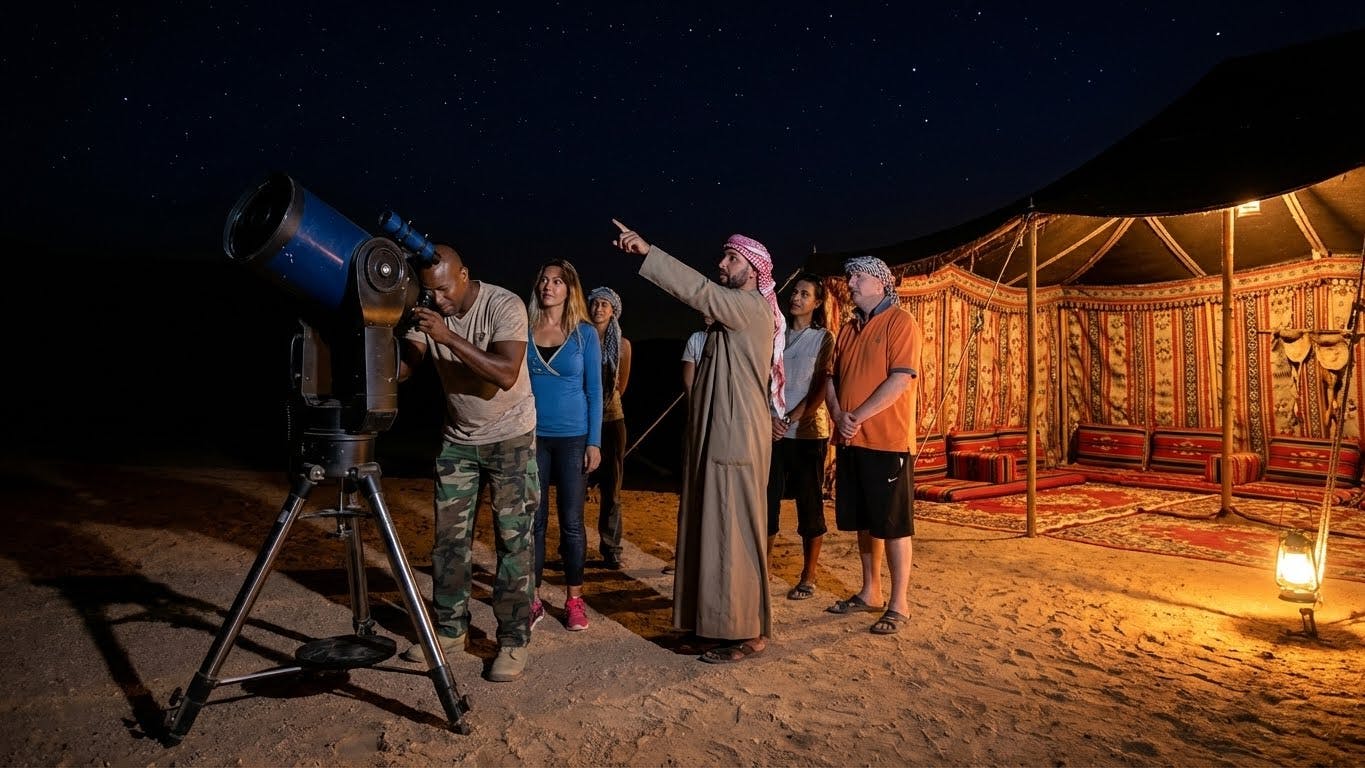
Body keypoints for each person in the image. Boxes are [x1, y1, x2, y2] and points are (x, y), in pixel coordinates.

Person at [612, 218, 785, 664]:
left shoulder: (748, 306)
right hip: (718, 434)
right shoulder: (729, 315)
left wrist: (649, 252)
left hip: (737, 439)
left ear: (752, 269)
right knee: (709, 528)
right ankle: (710, 626)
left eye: (731, 258)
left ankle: (745, 634)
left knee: (733, 532)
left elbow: (700, 291)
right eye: (723, 256)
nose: (722, 263)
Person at [397, 244, 537, 682]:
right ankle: (449, 630)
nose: (437, 300)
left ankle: (513, 640)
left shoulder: (504, 304)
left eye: (442, 290)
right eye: (428, 292)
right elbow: (407, 367)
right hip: (458, 440)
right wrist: (384, 332)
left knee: (513, 543)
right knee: (448, 542)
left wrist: (448, 336)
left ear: (464, 275)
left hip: (511, 437)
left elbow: (504, 374)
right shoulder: (428, 311)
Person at [823, 255, 922, 636]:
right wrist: (838, 415)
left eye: (859, 277)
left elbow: (900, 381)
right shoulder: (848, 329)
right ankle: (871, 591)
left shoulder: (901, 322)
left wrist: (857, 415)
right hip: (851, 438)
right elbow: (831, 378)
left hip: (887, 440)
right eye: (849, 277)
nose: (850, 283)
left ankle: (900, 603)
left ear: (882, 283)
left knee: (893, 523)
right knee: (865, 520)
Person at [527, 259, 602, 632]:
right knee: (534, 522)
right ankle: (533, 599)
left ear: (569, 289)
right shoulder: (523, 329)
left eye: (557, 281)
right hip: (533, 437)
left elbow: (595, 391)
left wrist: (595, 441)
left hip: (573, 438)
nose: (548, 286)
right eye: (544, 279)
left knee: (571, 522)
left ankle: (574, 600)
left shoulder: (585, 333)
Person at [766, 273, 835, 600]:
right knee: (767, 499)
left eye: (805, 294)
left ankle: (808, 574)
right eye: (794, 292)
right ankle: (763, 566)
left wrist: (790, 417)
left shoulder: (823, 338)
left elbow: (822, 386)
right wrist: (772, 419)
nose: (796, 297)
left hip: (808, 432)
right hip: (773, 431)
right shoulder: (775, 335)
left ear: (817, 302)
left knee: (809, 501)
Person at [586, 286, 632, 570]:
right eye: (595, 303)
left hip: (612, 419)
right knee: (576, 485)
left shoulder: (623, 345)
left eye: (605, 304)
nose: (599, 308)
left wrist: (602, 406)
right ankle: (571, 545)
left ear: (613, 310)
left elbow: (621, 385)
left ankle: (611, 546)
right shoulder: (579, 338)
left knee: (612, 489)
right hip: (581, 420)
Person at [680, 314, 713, 398]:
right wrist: (692, 409)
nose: (705, 313)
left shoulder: (733, 339)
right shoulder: (695, 339)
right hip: (702, 397)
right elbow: (689, 384)